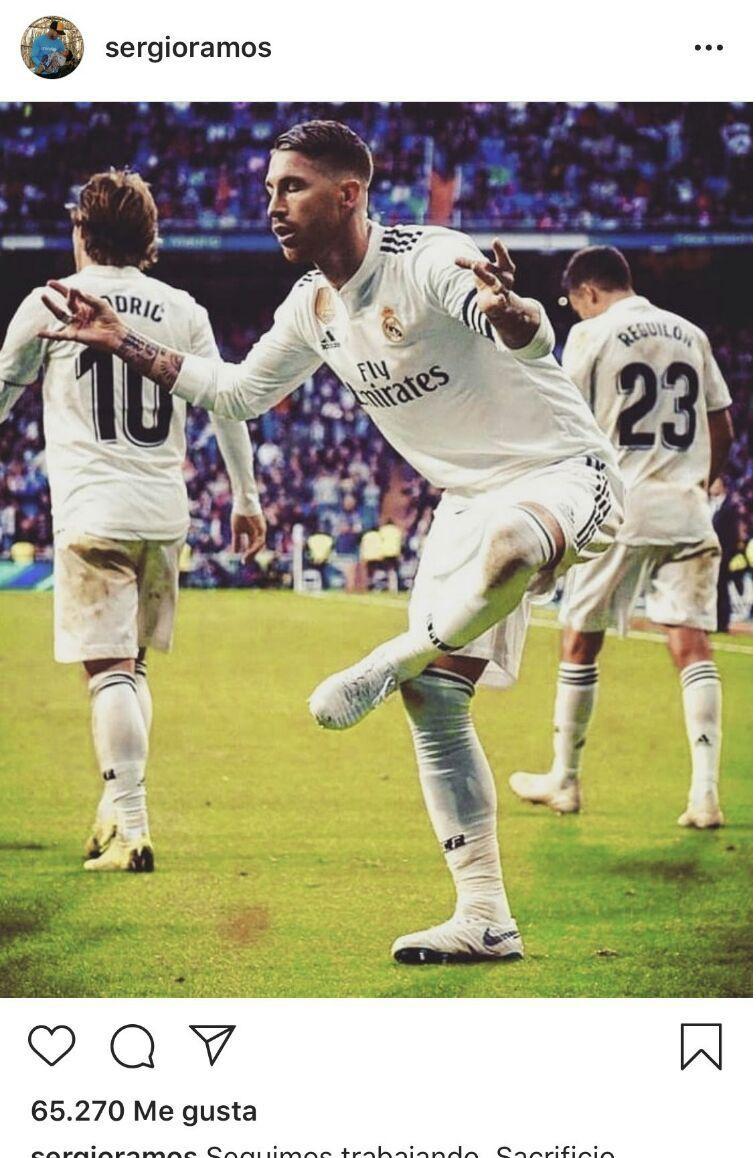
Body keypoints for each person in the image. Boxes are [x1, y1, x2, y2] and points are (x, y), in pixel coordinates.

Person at [38, 121, 623, 960]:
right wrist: (123, 341)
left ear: (349, 193)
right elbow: (235, 393)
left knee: (513, 546)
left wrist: (513, 312)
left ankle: (392, 658)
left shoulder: (429, 259)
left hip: (564, 470)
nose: (272, 205)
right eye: (269, 189)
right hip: (464, 500)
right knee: (435, 699)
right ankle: (486, 916)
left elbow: (521, 328)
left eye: (292, 187)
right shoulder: (313, 306)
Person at [0, 169, 264, 871]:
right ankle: (116, 806)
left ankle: (134, 829)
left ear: (81, 231)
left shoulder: (51, 298)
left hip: (94, 510)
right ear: (150, 238)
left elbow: (2, 391)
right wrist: (245, 496)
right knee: (132, 668)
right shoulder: (183, 308)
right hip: (162, 514)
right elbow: (226, 401)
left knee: (108, 673)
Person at [509, 246, 733, 829]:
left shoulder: (591, 334)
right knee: (691, 644)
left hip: (622, 509)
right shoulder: (691, 334)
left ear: (587, 292)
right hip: (687, 510)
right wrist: (703, 481)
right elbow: (722, 422)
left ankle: (565, 779)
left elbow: (562, 422)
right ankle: (705, 795)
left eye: (575, 303)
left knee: (580, 640)